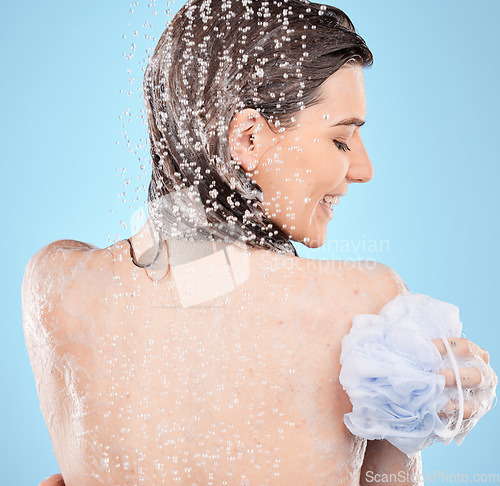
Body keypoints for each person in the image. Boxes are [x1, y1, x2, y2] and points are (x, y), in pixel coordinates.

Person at [23, 0, 495, 485]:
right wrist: (416, 416)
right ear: (248, 137)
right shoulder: (362, 308)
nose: (364, 169)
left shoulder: (55, 284)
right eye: (341, 139)